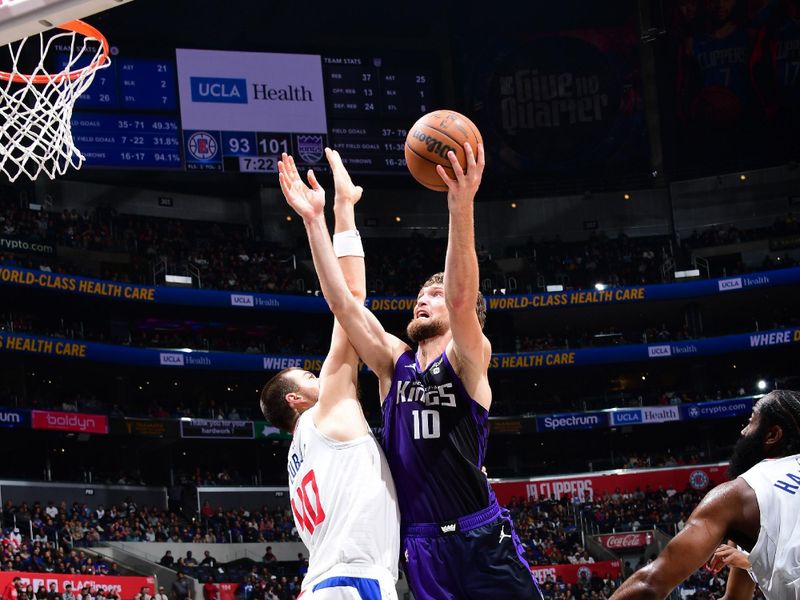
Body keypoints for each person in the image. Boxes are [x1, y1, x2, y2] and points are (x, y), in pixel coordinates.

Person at [280, 143, 541, 599]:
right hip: (419, 546)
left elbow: (462, 300)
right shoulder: (391, 364)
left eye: (434, 293)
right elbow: (343, 303)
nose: (424, 298)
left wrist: (460, 206)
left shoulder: (468, 358)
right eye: (421, 293)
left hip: (479, 535)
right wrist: (313, 221)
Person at [262, 149, 400, 598]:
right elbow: (350, 300)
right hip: (352, 583)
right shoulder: (328, 411)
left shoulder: (297, 458)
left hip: (323, 582)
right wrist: (338, 214)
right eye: (308, 376)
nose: (318, 378)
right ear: (294, 400)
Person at [611, 389, 800, 599]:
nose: (743, 431)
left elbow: (650, 584)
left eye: (751, 421)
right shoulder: (758, 519)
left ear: (772, 435)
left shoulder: (740, 494)